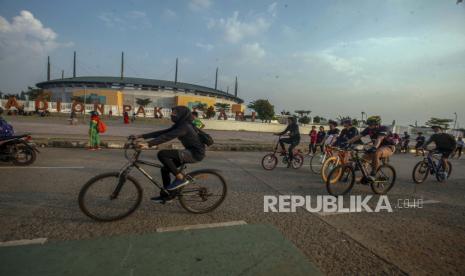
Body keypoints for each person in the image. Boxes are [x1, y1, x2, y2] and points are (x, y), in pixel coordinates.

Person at [135, 106, 205, 202]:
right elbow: (163, 132)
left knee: (162, 154)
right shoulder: (180, 124)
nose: (172, 114)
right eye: (173, 112)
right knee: (165, 169)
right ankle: (167, 196)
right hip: (189, 151)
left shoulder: (184, 126)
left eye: (175, 113)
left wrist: (149, 144)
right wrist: (142, 136)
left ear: (182, 114)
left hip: (195, 153)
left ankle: (180, 179)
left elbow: (167, 136)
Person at [347, 115, 395, 182]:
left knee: (376, 153)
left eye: (370, 124)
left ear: (376, 124)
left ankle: (373, 174)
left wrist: (374, 147)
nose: (369, 126)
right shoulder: (368, 129)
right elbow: (358, 136)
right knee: (363, 159)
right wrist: (347, 142)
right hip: (377, 146)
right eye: (368, 124)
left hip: (388, 147)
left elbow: (379, 139)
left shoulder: (384, 128)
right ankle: (365, 177)